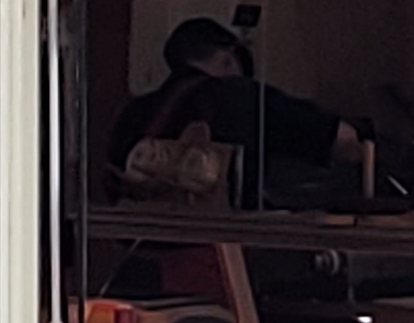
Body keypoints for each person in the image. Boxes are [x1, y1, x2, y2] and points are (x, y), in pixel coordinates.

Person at [110, 17, 360, 206]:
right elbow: (343, 138)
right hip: (224, 251)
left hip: (144, 253)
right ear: (227, 59)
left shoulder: (131, 114)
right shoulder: (241, 96)